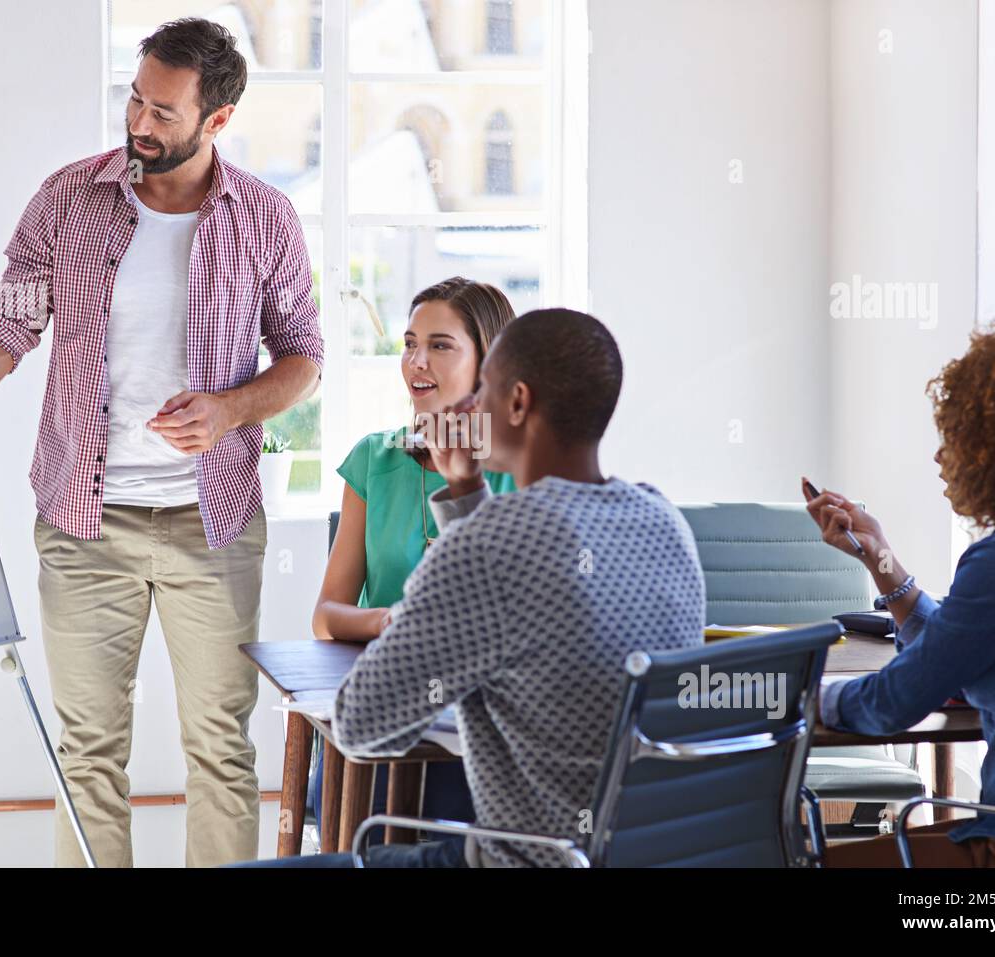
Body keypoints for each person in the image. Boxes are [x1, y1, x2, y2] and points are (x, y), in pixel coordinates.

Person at [0, 19, 323, 867]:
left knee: (221, 749)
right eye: (136, 97)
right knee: (88, 752)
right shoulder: (70, 199)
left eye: (164, 111)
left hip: (214, 523)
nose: (140, 121)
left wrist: (232, 410)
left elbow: (304, 360)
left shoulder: (266, 218)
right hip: (83, 524)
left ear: (217, 121)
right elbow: (3, 332)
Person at [235, 307, 705, 868]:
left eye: (483, 387)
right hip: (646, 851)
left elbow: (363, 728)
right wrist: (465, 490)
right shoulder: (662, 520)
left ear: (518, 402)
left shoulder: (488, 544)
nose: (469, 404)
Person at [807, 315, 995, 868]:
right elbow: (955, 655)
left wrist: (799, 694)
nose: (941, 457)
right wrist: (879, 555)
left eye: (956, 437)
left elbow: (889, 705)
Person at [306, 277, 516, 838]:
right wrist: (391, 623)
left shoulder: (519, 470)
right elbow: (327, 616)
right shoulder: (374, 459)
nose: (416, 361)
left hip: (481, 718)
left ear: (487, 361)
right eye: (408, 343)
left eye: (440, 345)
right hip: (388, 705)